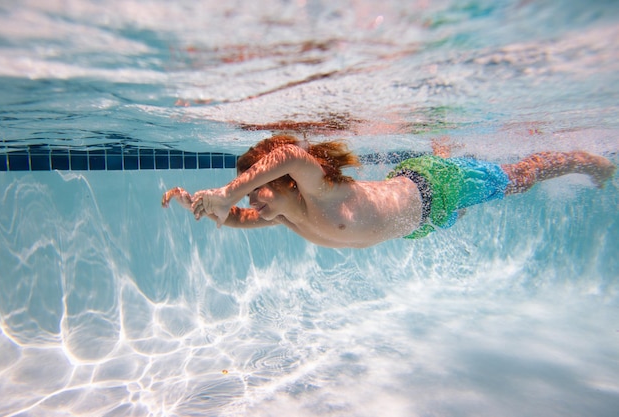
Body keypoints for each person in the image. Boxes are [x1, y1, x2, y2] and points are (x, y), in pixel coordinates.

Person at [162, 134, 616, 248]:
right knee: (465, 208)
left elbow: (292, 155)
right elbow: (238, 219)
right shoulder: (282, 213)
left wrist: (223, 190)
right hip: (422, 221)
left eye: (256, 189)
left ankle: (577, 159)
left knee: (518, 180)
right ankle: (445, 145)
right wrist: (207, 208)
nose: (250, 199)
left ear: (283, 185)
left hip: (438, 188)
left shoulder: (319, 192)